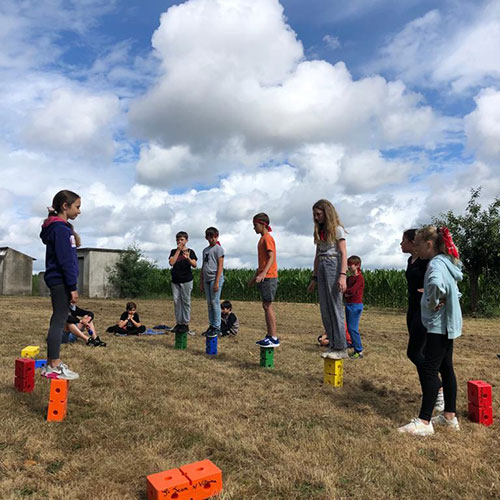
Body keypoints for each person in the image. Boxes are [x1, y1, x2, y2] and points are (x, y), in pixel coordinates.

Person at [398, 226, 463, 436]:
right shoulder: (448, 261)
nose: (416, 248)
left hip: (437, 324)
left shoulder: (435, 264)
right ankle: (449, 416)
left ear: (428, 245)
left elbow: (436, 285)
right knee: (446, 367)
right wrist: (444, 298)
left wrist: (432, 299)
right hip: (450, 324)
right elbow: (453, 288)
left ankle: (424, 421)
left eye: (417, 244)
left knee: (429, 369)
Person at [401, 229, 444, 413]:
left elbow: (436, 282)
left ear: (413, 243)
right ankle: (430, 391)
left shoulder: (428, 261)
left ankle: (438, 389)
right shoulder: (410, 261)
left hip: (424, 310)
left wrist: (431, 293)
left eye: (403, 241)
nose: (401, 244)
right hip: (412, 309)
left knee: (414, 353)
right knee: (421, 353)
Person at [39, 190, 81, 380]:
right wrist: (72, 286)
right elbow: (66, 261)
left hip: (58, 280)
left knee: (58, 318)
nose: (79, 211)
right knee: (59, 320)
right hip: (62, 281)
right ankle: (54, 365)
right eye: (77, 207)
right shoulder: (61, 229)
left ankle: (52, 362)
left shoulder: (58, 227)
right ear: (65, 206)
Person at [307, 199, 348, 359]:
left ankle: (341, 347)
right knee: (325, 309)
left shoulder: (337, 230)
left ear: (327, 212)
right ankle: (332, 344)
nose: (316, 218)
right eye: (314, 215)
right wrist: (314, 277)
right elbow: (317, 255)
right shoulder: (319, 231)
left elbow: (344, 253)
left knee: (335, 307)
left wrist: (342, 276)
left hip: (333, 265)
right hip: (323, 266)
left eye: (318, 214)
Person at [249, 213, 280, 347]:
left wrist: (264, 274)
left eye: (255, 225)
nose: (254, 228)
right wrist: (255, 276)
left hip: (269, 277)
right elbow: (262, 262)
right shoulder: (262, 239)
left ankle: (273, 337)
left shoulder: (267, 238)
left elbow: (271, 257)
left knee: (268, 305)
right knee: (265, 305)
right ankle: (269, 335)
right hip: (264, 276)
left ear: (263, 224)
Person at [169, 231, 197, 334]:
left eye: (182, 239)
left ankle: (185, 323)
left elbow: (194, 265)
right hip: (175, 280)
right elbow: (171, 262)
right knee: (177, 302)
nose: (179, 241)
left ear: (186, 240)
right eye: (178, 239)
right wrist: (178, 251)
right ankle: (179, 323)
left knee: (186, 302)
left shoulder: (190, 251)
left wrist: (188, 257)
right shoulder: (173, 251)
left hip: (186, 280)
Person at [200, 227, 224, 337]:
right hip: (206, 278)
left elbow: (220, 266)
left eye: (214, 237)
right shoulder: (205, 250)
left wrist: (217, 282)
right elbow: (203, 265)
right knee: (209, 303)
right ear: (206, 238)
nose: (212, 239)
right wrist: (201, 280)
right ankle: (212, 325)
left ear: (217, 236)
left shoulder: (219, 249)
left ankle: (217, 326)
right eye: (210, 237)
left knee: (215, 302)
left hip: (215, 278)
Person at [344, 255, 365, 359]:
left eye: (350, 265)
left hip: (355, 306)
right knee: (349, 327)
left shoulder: (359, 278)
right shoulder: (349, 278)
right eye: (347, 264)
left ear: (357, 265)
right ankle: (353, 345)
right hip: (348, 304)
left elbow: (352, 291)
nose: (348, 267)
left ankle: (359, 350)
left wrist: (345, 292)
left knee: (353, 328)